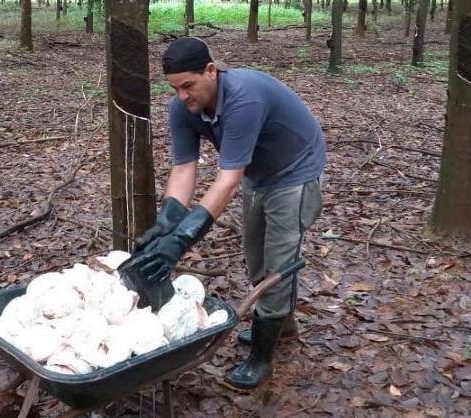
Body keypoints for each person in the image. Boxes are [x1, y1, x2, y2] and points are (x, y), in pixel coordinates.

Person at [131, 37, 326, 390]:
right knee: (255, 258)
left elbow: (228, 180)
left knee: (277, 264)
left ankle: (262, 358)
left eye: (188, 86)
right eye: (175, 88)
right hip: (258, 174)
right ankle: (282, 325)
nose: (182, 96)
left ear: (211, 71)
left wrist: (183, 239)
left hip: (295, 171)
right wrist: (167, 222)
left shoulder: (243, 98)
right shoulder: (183, 108)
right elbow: (184, 167)